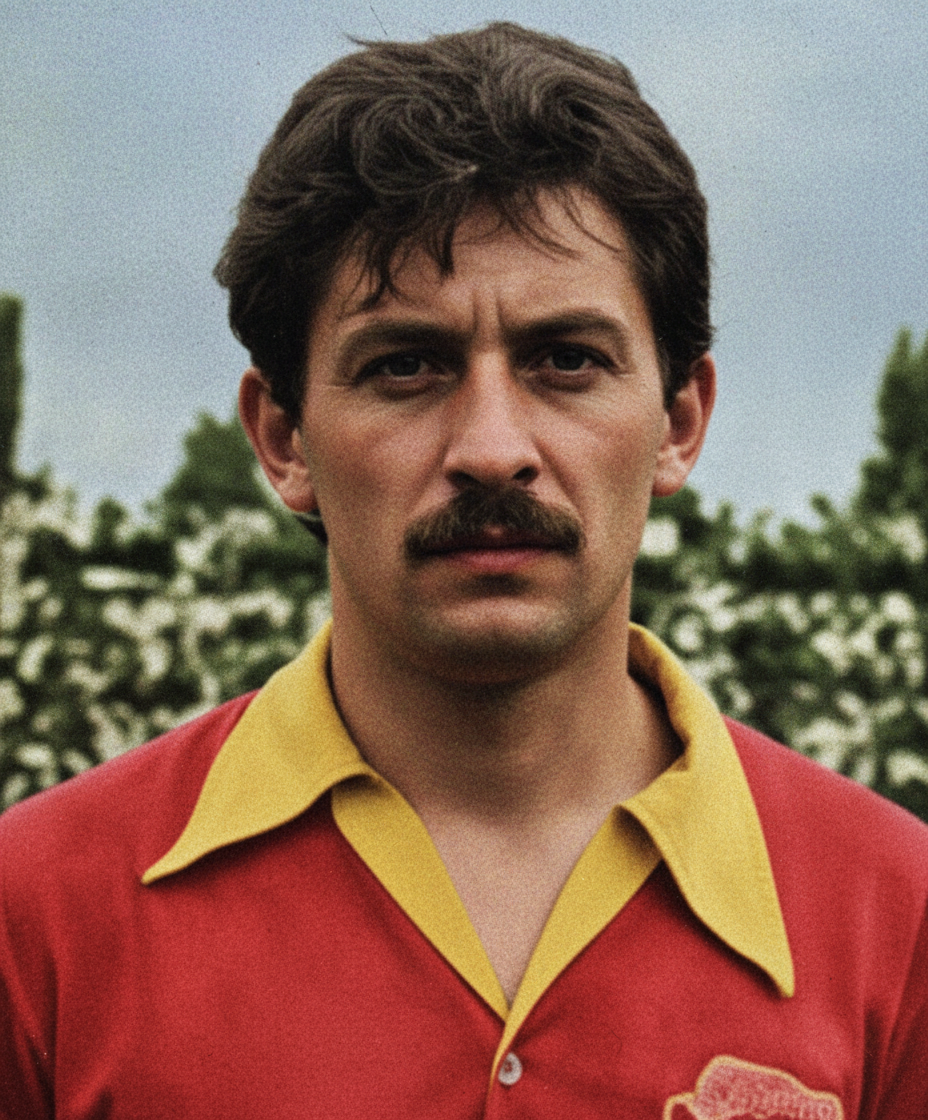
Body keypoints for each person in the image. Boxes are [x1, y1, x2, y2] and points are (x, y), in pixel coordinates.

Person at [1, 22, 926, 1120]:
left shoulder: (899, 920)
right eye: (406, 366)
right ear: (283, 438)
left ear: (679, 422)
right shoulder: (35, 918)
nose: (492, 447)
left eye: (566, 360)